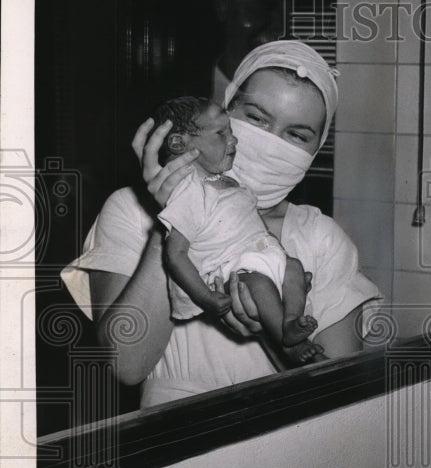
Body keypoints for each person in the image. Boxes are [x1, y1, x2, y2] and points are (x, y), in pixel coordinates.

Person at [62, 41, 380, 407]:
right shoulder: (132, 211)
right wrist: (174, 214)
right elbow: (126, 364)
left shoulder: (321, 238)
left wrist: (268, 326)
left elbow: (338, 397)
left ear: (316, 149)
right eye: (257, 118)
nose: (269, 143)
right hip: (177, 433)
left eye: (296, 135)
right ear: (224, 113)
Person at [151, 96, 322, 365]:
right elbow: (175, 255)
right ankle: (289, 344)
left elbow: (252, 225)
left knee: (294, 267)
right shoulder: (188, 191)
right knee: (259, 284)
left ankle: (291, 321)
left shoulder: (228, 181)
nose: (234, 140)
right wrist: (206, 298)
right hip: (231, 268)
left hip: (258, 254)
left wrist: (280, 260)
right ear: (179, 144)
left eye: (231, 131)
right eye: (221, 133)